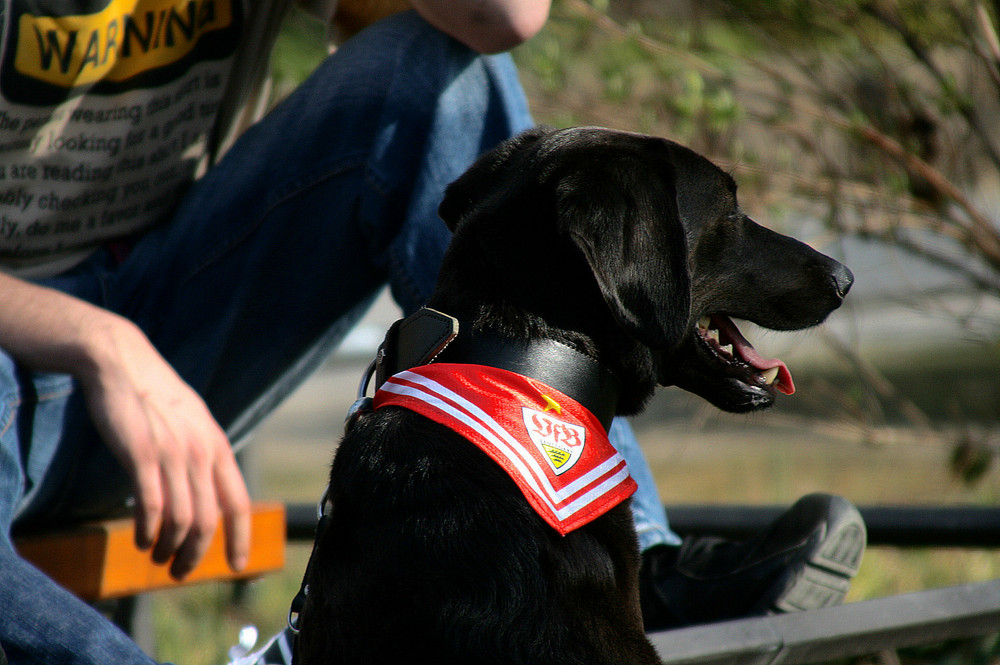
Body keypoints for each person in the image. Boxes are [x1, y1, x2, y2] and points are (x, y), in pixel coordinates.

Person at [0, 2, 864, 664]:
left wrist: (127, 345)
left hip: (177, 315)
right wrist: (97, 341)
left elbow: (504, 18)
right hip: (24, 349)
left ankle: (629, 558)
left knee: (429, 69)